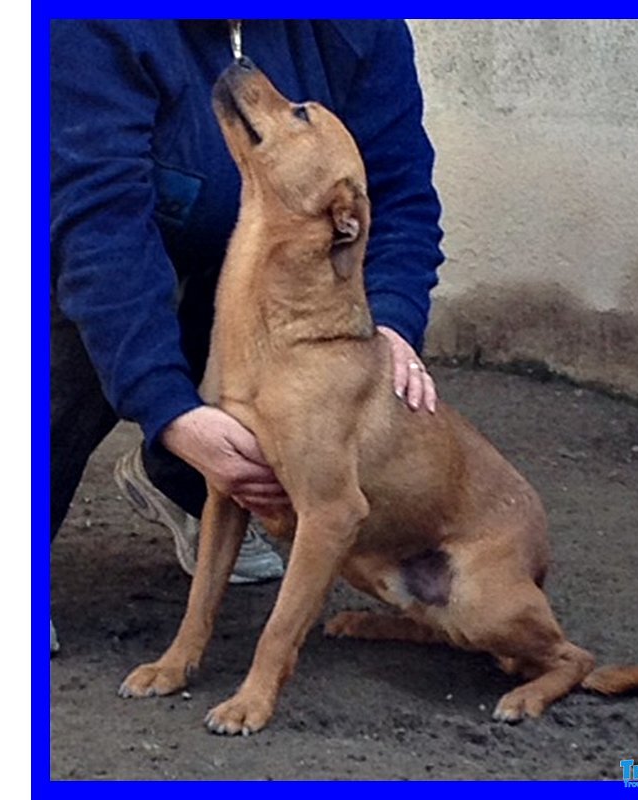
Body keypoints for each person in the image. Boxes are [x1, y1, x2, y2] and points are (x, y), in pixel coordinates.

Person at [50, 20, 445, 653]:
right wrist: (169, 408)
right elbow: (99, 227)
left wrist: (389, 326)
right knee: (65, 329)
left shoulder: (361, 25)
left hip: (226, 258)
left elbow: (397, 192)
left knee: (316, 373)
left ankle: (177, 479)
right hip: (72, 239)